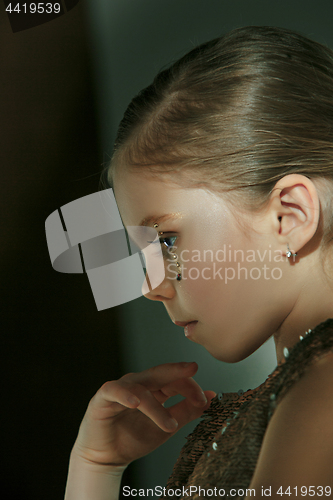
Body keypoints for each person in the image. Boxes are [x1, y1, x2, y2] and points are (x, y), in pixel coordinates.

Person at [64, 26, 333, 499]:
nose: (151, 286)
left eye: (167, 240)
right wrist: (96, 468)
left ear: (290, 215)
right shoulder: (297, 394)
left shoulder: (322, 396)